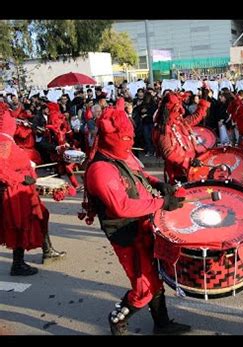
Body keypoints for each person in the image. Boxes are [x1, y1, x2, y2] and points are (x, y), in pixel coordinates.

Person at [83, 98, 190, 335]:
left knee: (155, 276)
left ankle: (162, 324)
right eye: (125, 139)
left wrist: (158, 184)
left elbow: (139, 173)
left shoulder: (121, 154)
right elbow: (121, 206)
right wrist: (163, 203)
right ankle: (117, 319)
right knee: (143, 286)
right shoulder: (100, 169)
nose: (129, 143)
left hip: (144, 224)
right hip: (126, 233)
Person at [0, 103, 66, 276]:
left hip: (22, 188)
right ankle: (18, 264)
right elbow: (1, 169)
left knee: (40, 216)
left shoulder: (7, 138)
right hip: (16, 190)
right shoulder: (4, 140)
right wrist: (22, 178)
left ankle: (46, 251)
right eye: (10, 118)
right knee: (21, 225)